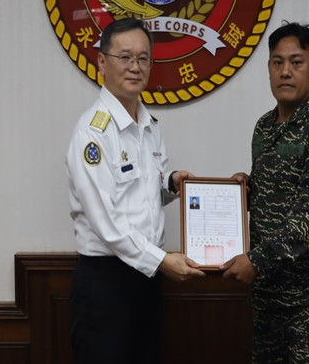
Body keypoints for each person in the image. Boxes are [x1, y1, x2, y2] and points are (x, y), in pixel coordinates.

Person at [66, 18, 205, 364]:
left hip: (145, 280)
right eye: (125, 57)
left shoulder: (148, 126)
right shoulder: (93, 134)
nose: (135, 67)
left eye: (143, 59)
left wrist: (171, 184)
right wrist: (161, 261)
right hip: (106, 285)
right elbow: (107, 222)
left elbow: (143, 195)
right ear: (102, 62)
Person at [221, 22, 309, 364]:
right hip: (267, 298)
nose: (285, 72)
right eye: (277, 62)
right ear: (268, 69)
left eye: (297, 62)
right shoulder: (264, 127)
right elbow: (279, 192)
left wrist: (257, 260)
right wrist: (245, 191)